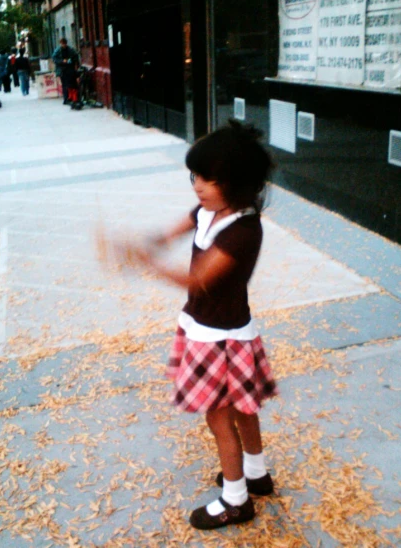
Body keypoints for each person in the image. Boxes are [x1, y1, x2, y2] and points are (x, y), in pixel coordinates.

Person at [118, 121, 278, 530]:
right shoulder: (210, 210)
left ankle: (236, 500)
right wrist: (146, 242)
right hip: (210, 327)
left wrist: (147, 265)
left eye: (210, 179)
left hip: (221, 338)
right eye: (196, 176)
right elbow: (175, 229)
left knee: (220, 417)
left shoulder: (243, 230)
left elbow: (198, 280)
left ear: (240, 185)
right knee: (242, 408)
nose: (199, 186)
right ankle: (256, 474)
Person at [51, 38, 79, 105]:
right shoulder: (58, 50)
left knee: (69, 84)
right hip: (62, 70)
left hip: (69, 69)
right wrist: (62, 61)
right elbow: (54, 59)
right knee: (65, 84)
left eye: (64, 44)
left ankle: (69, 98)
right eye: (62, 44)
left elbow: (75, 57)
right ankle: (66, 98)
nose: (63, 45)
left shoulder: (70, 50)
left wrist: (73, 62)